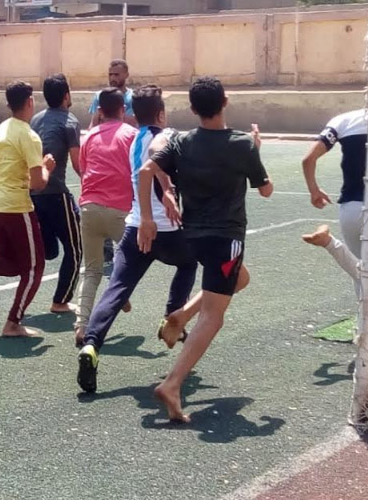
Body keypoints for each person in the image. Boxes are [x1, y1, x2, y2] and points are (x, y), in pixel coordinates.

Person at [136, 77, 273, 422]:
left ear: (193, 108)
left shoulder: (182, 142)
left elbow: (146, 170)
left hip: (193, 236)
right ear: (225, 102)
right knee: (214, 316)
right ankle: (172, 383)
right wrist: (255, 149)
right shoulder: (241, 143)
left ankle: (181, 316)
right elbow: (266, 190)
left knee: (240, 279)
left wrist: (148, 217)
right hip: (226, 238)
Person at [76, 85, 199, 392]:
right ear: (161, 115)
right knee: (188, 263)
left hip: (135, 227)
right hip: (165, 228)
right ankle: (171, 317)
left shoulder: (133, 138)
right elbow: (158, 159)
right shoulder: (166, 135)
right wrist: (168, 188)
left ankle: (91, 344)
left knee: (116, 288)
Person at [0, 81, 56, 337]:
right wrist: (47, 168)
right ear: (30, 102)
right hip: (16, 206)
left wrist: (5, 175)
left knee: (14, 263)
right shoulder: (29, 135)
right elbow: (38, 183)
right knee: (34, 268)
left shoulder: (0, 129)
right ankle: (13, 323)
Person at [301, 79, 368, 299]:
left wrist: (314, 190)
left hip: (350, 209)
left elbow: (308, 159)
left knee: (362, 272)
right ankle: (329, 242)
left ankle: (363, 323)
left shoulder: (344, 120)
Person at [74, 88, 138, 342]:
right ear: (123, 109)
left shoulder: (89, 136)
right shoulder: (131, 135)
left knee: (91, 270)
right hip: (121, 211)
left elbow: (83, 170)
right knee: (131, 264)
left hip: (89, 207)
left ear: (100, 111)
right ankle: (119, 295)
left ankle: (81, 326)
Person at [30, 74, 83, 314]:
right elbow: (78, 164)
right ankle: (60, 301)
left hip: (34, 192)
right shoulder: (70, 121)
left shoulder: (36, 119)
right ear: (66, 95)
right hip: (56, 194)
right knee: (75, 248)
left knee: (49, 251)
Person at [88, 60, 137, 262]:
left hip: (124, 154)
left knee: (125, 198)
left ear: (126, 74)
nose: (113, 78)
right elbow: (93, 124)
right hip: (103, 152)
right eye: (110, 74)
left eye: (117, 74)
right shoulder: (99, 96)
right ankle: (106, 245)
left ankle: (127, 244)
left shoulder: (132, 98)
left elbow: (133, 124)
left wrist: (110, 118)